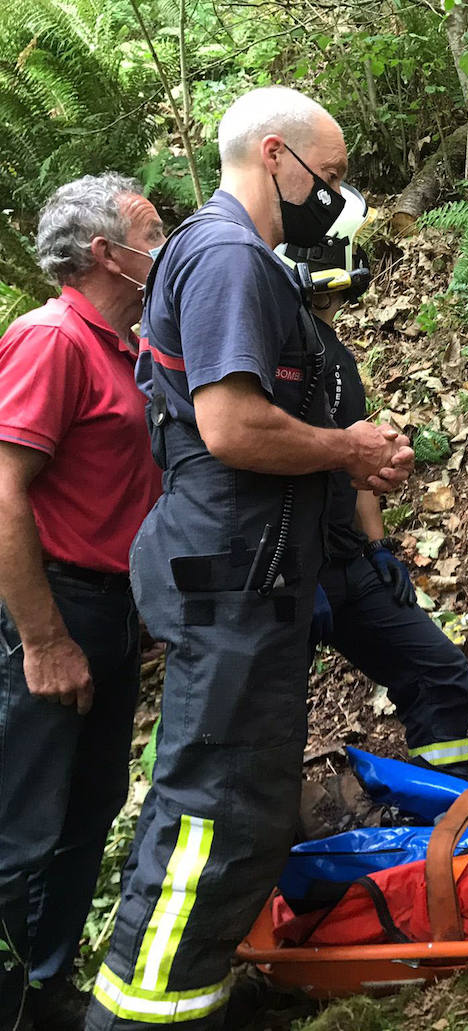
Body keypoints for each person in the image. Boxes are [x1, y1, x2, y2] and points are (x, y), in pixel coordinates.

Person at [88, 86, 414, 1031]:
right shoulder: (229, 256)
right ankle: (140, 1014)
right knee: (210, 811)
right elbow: (231, 426)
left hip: (244, 575)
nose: (338, 196)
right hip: (227, 575)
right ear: (277, 156)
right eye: (334, 176)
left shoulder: (231, 257)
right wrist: (349, 449)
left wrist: (348, 446)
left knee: (240, 805)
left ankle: (202, 997)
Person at [0, 174, 164, 1030]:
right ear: (106, 253)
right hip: (56, 606)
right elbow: (3, 490)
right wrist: (41, 636)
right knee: (20, 826)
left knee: (86, 809)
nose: (162, 247)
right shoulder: (52, 340)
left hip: (110, 610)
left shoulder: (125, 346)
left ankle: (46, 991)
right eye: (151, 232)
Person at [279, 187, 468, 779]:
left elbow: (358, 458)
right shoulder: (270, 342)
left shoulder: (335, 351)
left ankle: (443, 816)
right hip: (287, 573)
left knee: (438, 671)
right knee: (268, 716)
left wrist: (376, 546)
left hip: (348, 563)